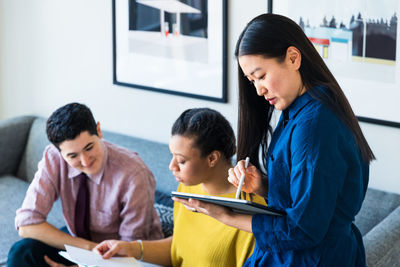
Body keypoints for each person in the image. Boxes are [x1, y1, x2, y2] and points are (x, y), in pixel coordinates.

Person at [175, 14, 375, 266]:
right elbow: (309, 201)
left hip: (311, 259)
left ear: (293, 58)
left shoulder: (315, 124)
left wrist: (225, 216)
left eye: (261, 76)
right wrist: (262, 186)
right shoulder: (298, 110)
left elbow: (303, 229)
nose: (258, 89)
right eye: (252, 81)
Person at [93, 108, 267, 267]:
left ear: (212, 158)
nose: (171, 166)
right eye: (172, 156)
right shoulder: (188, 188)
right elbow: (179, 247)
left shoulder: (250, 209)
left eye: (181, 160)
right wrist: (130, 248)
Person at [7, 103, 163, 267]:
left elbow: (128, 254)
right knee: (22, 252)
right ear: (59, 152)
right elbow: (26, 224)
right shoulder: (54, 158)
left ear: (99, 131)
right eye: (73, 156)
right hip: (85, 245)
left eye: (89, 147)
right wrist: (89, 249)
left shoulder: (133, 173)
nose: (85, 161)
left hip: (128, 256)